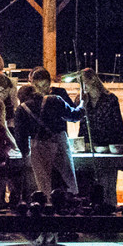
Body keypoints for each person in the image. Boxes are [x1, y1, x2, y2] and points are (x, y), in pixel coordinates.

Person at [19, 67, 84, 198]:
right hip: (58, 141)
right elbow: (74, 116)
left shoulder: (22, 107)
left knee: (42, 183)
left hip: (37, 145)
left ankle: (45, 206)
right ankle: (70, 203)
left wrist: (24, 153)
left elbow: (20, 134)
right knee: (68, 178)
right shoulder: (55, 100)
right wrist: (83, 104)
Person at [78, 68, 123, 152]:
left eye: (84, 83)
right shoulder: (83, 100)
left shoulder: (110, 99)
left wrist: (117, 146)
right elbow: (82, 126)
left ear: (93, 79)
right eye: (80, 84)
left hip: (108, 146)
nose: (82, 87)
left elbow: (118, 125)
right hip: (90, 147)